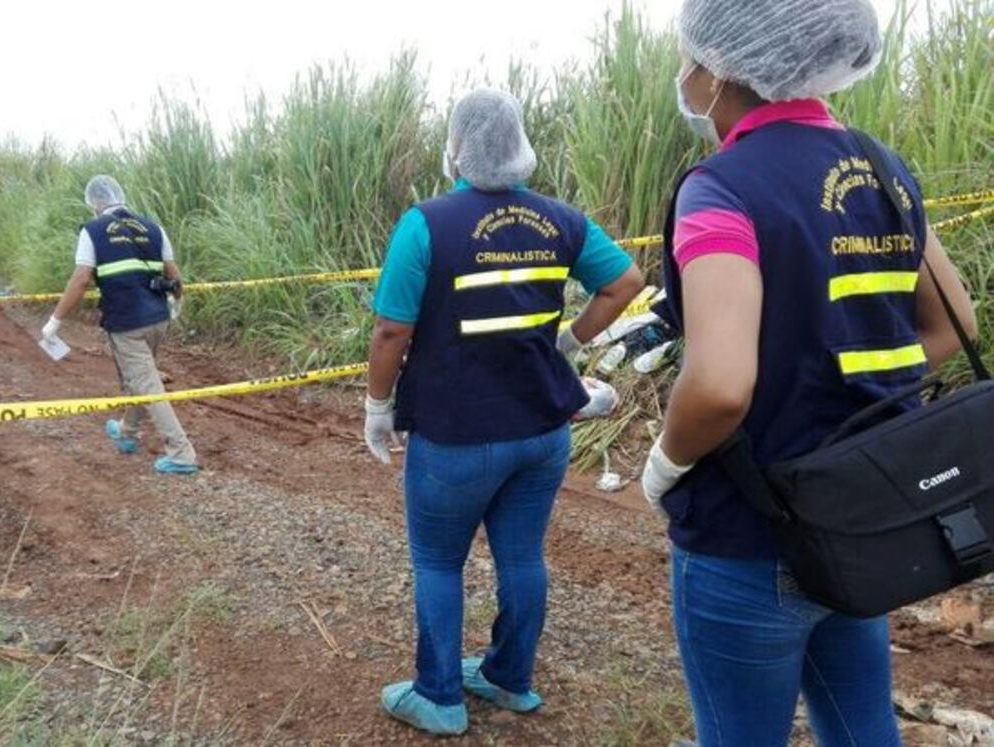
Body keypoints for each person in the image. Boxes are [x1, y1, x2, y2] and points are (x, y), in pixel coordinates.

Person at [643, 0, 980, 744]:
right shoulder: (883, 168)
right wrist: (850, 386)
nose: (684, 75)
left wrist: (664, 464)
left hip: (749, 535)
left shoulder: (720, 187)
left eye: (689, 58)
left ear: (721, 70)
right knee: (862, 728)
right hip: (863, 517)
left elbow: (720, 385)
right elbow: (952, 325)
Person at [365, 88, 644, 736]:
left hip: (455, 436)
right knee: (521, 557)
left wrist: (378, 406)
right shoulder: (561, 219)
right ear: (519, 143)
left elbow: (391, 331)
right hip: (543, 429)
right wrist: (569, 340)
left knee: (439, 562)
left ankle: (439, 695)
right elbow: (625, 282)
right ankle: (509, 677)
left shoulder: (426, 223)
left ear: (458, 147)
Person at [42, 175, 199, 476]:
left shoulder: (92, 231)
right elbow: (175, 276)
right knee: (142, 378)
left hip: (127, 323)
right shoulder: (153, 228)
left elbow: (81, 279)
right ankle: (127, 432)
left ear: (94, 203)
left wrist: (54, 321)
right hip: (158, 319)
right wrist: (176, 303)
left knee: (147, 384)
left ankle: (181, 453)